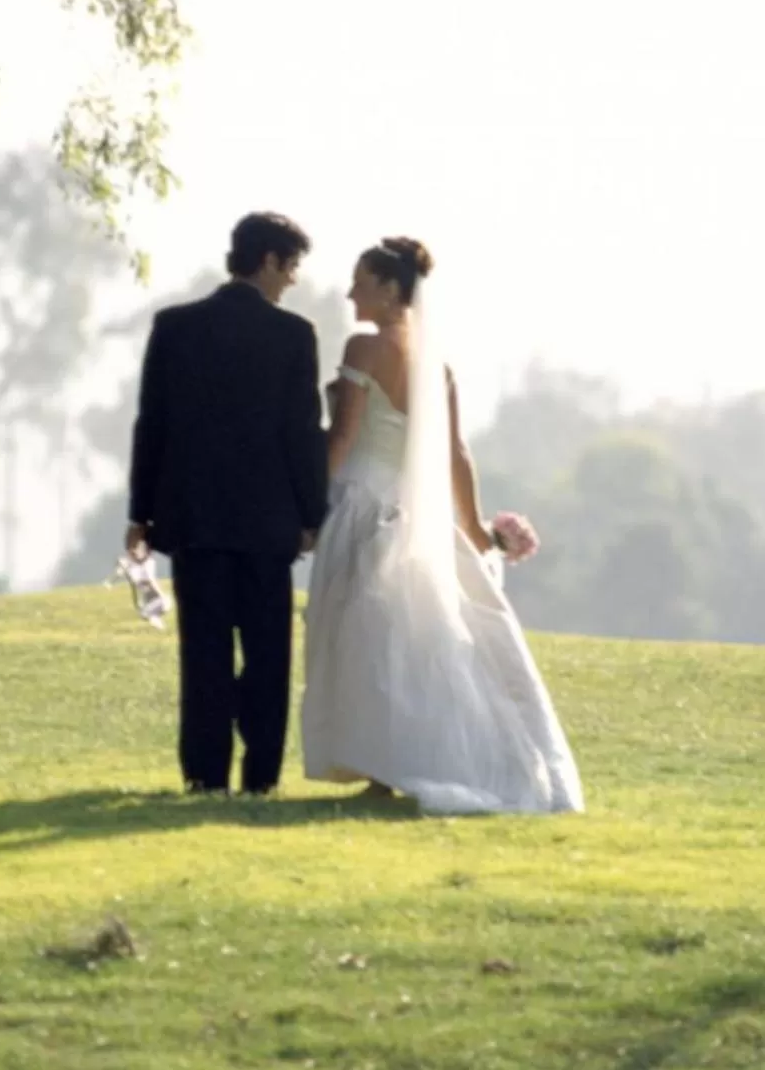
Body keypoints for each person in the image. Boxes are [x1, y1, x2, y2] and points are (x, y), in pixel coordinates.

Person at [300, 237, 584, 815]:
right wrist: (476, 530)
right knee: (405, 635)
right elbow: (455, 453)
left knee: (362, 637)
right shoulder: (437, 366)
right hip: (416, 513)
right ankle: (394, 761)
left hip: (362, 502)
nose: (350, 291)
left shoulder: (364, 346)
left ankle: (388, 761)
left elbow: (346, 435)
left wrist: (309, 506)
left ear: (387, 289)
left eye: (361, 280)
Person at [126, 212, 328, 795]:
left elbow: (152, 425)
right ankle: (259, 776)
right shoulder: (294, 336)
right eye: (290, 266)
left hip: (193, 518)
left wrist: (140, 514)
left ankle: (204, 774)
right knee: (268, 655)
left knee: (204, 653)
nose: (292, 280)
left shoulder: (174, 327)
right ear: (267, 260)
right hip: (268, 522)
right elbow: (301, 432)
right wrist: (312, 514)